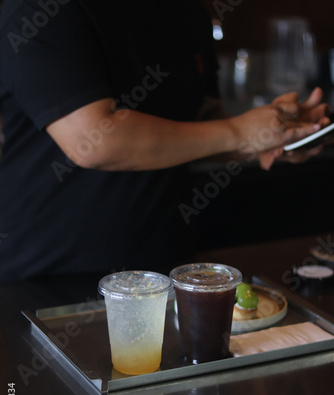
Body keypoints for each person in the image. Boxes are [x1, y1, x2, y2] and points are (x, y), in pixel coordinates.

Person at [0, 0, 330, 282]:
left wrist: (274, 138)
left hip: (164, 267)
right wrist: (241, 130)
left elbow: (202, 122)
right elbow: (95, 140)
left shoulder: (183, 9)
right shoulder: (41, 10)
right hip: (50, 272)